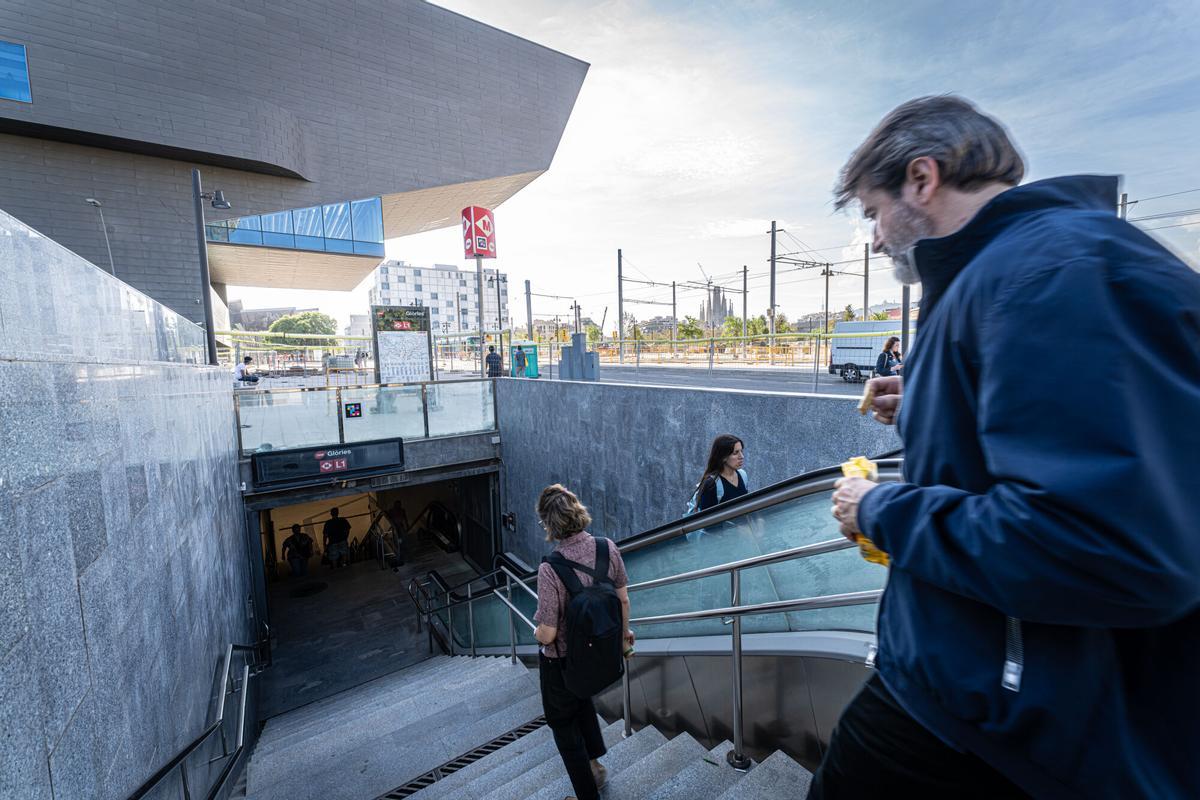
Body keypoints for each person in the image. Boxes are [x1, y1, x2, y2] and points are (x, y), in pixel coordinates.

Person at [819, 95, 1200, 799]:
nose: (873, 238)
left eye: (873, 211)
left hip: (997, 715)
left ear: (922, 179)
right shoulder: (1025, 267)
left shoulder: (1053, 276)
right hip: (991, 688)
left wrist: (878, 511)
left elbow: (1103, 545)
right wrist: (930, 396)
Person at [533, 485, 634, 800]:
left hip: (561, 664)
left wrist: (535, 633)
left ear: (549, 524)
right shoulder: (607, 548)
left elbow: (547, 634)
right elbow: (623, 600)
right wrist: (623, 638)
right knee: (583, 703)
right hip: (600, 655)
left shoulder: (551, 568)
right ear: (578, 511)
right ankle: (596, 768)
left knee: (563, 726)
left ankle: (588, 792)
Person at [694, 434, 748, 513]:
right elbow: (708, 521)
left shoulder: (743, 475)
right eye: (735, 453)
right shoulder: (711, 484)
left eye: (741, 451)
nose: (741, 456)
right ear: (723, 457)